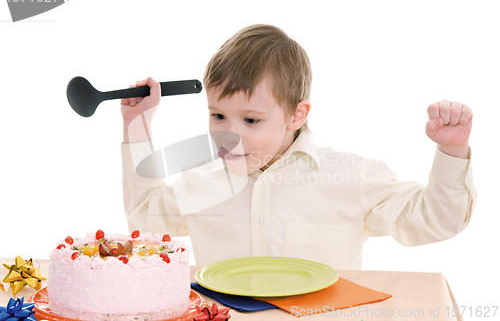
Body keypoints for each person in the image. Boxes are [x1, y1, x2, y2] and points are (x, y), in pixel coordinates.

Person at [120, 24, 475, 269]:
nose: (229, 134)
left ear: (296, 114)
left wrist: (452, 152)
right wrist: (137, 125)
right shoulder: (202, 181)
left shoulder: (350, 177)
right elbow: (144, 217)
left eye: (251, 120)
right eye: (217, 115)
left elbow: (436, 221)